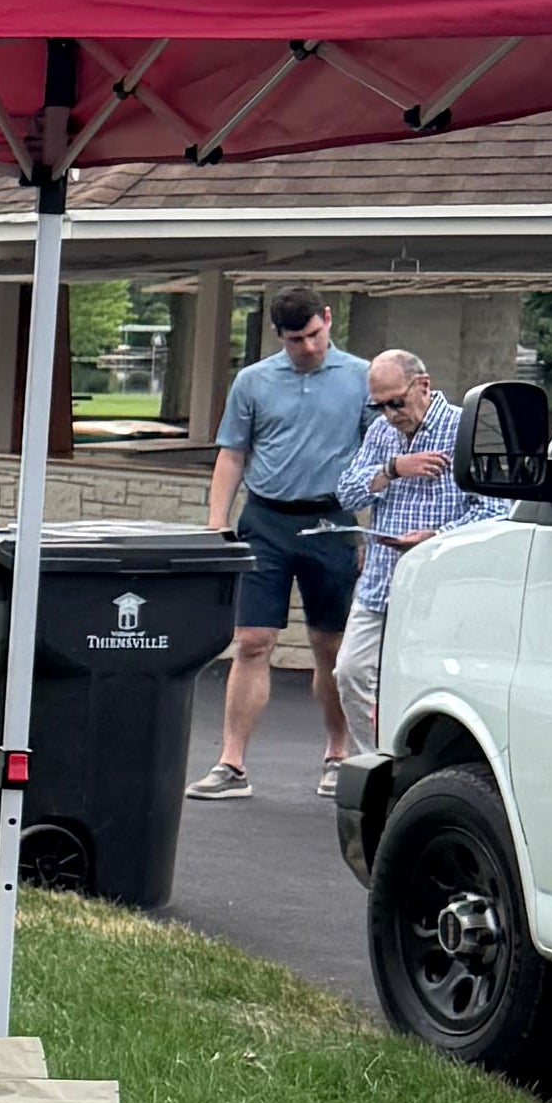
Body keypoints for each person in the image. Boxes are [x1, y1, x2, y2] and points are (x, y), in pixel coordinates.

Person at [192, 287, 369, 794]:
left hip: (331, 521)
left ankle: (337, 754)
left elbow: (378, 454)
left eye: (314, 335)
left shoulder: (361, 377)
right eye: (296, 340)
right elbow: (232, 454)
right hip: (266, 521)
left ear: (328, 320)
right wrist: (217, 523)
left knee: (329, 646)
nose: (308, 347)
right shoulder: (253, 381)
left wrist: (373, 530)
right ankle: (231, 764)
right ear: (278, 336)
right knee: (252, 641)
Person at [338, 345, 503, 754]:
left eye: (396, 402)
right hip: (381, 582)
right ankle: (378, 759)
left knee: (429, 685)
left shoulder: (466, 429)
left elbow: (497, 510)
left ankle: (417, 764)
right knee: (350, 672)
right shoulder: (381, 433)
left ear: (423, 386)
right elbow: (347, 493)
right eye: (379, 406)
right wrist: (393, 469)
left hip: (440, 588)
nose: (390, 413)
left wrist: (437, 537)